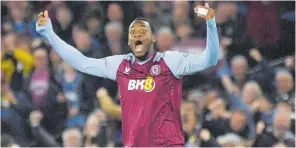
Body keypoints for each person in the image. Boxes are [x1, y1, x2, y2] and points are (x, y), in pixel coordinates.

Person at [36, 2, 219, 146]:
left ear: (153, 38)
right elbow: (82, 63)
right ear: (130, 41)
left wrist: (211, 24)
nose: (137, 34)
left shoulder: (169, 61)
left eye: (142, 31)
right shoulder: (120, 65)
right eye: (133, 32)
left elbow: (208, 60)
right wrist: (50, 34)